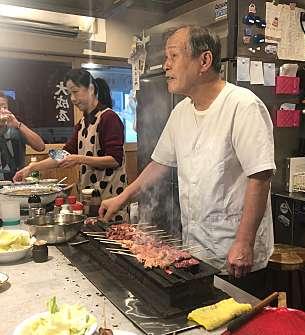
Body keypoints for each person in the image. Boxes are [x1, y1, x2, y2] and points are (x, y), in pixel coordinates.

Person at [99, 26, 276, 280]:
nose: (165, 66)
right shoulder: (181, 112)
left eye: (173, 56)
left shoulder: (242, 105)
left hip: (236, 253)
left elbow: (260, 176)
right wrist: (123, 197)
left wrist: (244, 243)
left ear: (204, 60)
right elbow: (159, 164)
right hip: (196, 247)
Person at [14, 69, 128, 220]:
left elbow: (115, 159)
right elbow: (63, 154)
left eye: (75, 91)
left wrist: (79, 159)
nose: (72, 99)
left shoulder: (109, 118)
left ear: (91, 89)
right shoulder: (81, 123)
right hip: (90, 203)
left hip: (111, 201)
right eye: (69, 94)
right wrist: (31, 168)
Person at [0, 92, 45, 180]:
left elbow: (40, 147)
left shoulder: (15, 129)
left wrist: (18, 125)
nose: (2, 110)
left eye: (4, 107)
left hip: (17, 183)